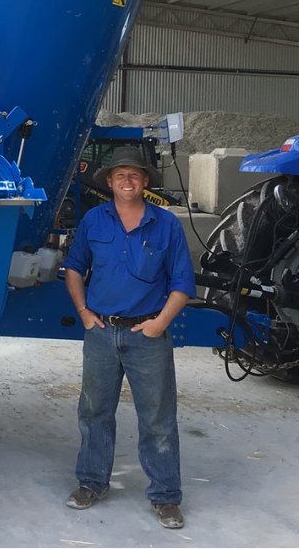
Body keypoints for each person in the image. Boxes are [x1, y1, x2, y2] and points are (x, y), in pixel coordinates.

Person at [62, 146, 195, 530]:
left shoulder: (166, 225)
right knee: (93, 412)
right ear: (109, 181)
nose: (127, 180)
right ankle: (91, 483)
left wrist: (159, 324)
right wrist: (85, 314)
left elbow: (182, 283)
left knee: (157, 418)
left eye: (134, 174)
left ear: (146, 181)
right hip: (101, 332)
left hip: (147, 335)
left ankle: (166, 497)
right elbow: (73, 268)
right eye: (120, 174)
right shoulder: (93, 220)